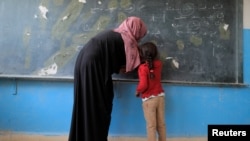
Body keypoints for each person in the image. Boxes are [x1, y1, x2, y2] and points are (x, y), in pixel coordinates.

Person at [68, 16, 147, 141]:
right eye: (140, 35)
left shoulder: (117, 34)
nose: (139, 39)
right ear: (136, 30)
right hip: (93, 65)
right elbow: (128, 67)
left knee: (86, 103)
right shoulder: (128, 42)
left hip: (83, 61)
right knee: (97, 106)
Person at [135, 42, 166, 141]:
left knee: (151, 126)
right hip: (160, 97)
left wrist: (138, 91)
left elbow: (144, 85)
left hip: (149, 99)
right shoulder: (159, 64)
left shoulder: (143, 68)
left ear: (142, 55)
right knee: (161, 124)